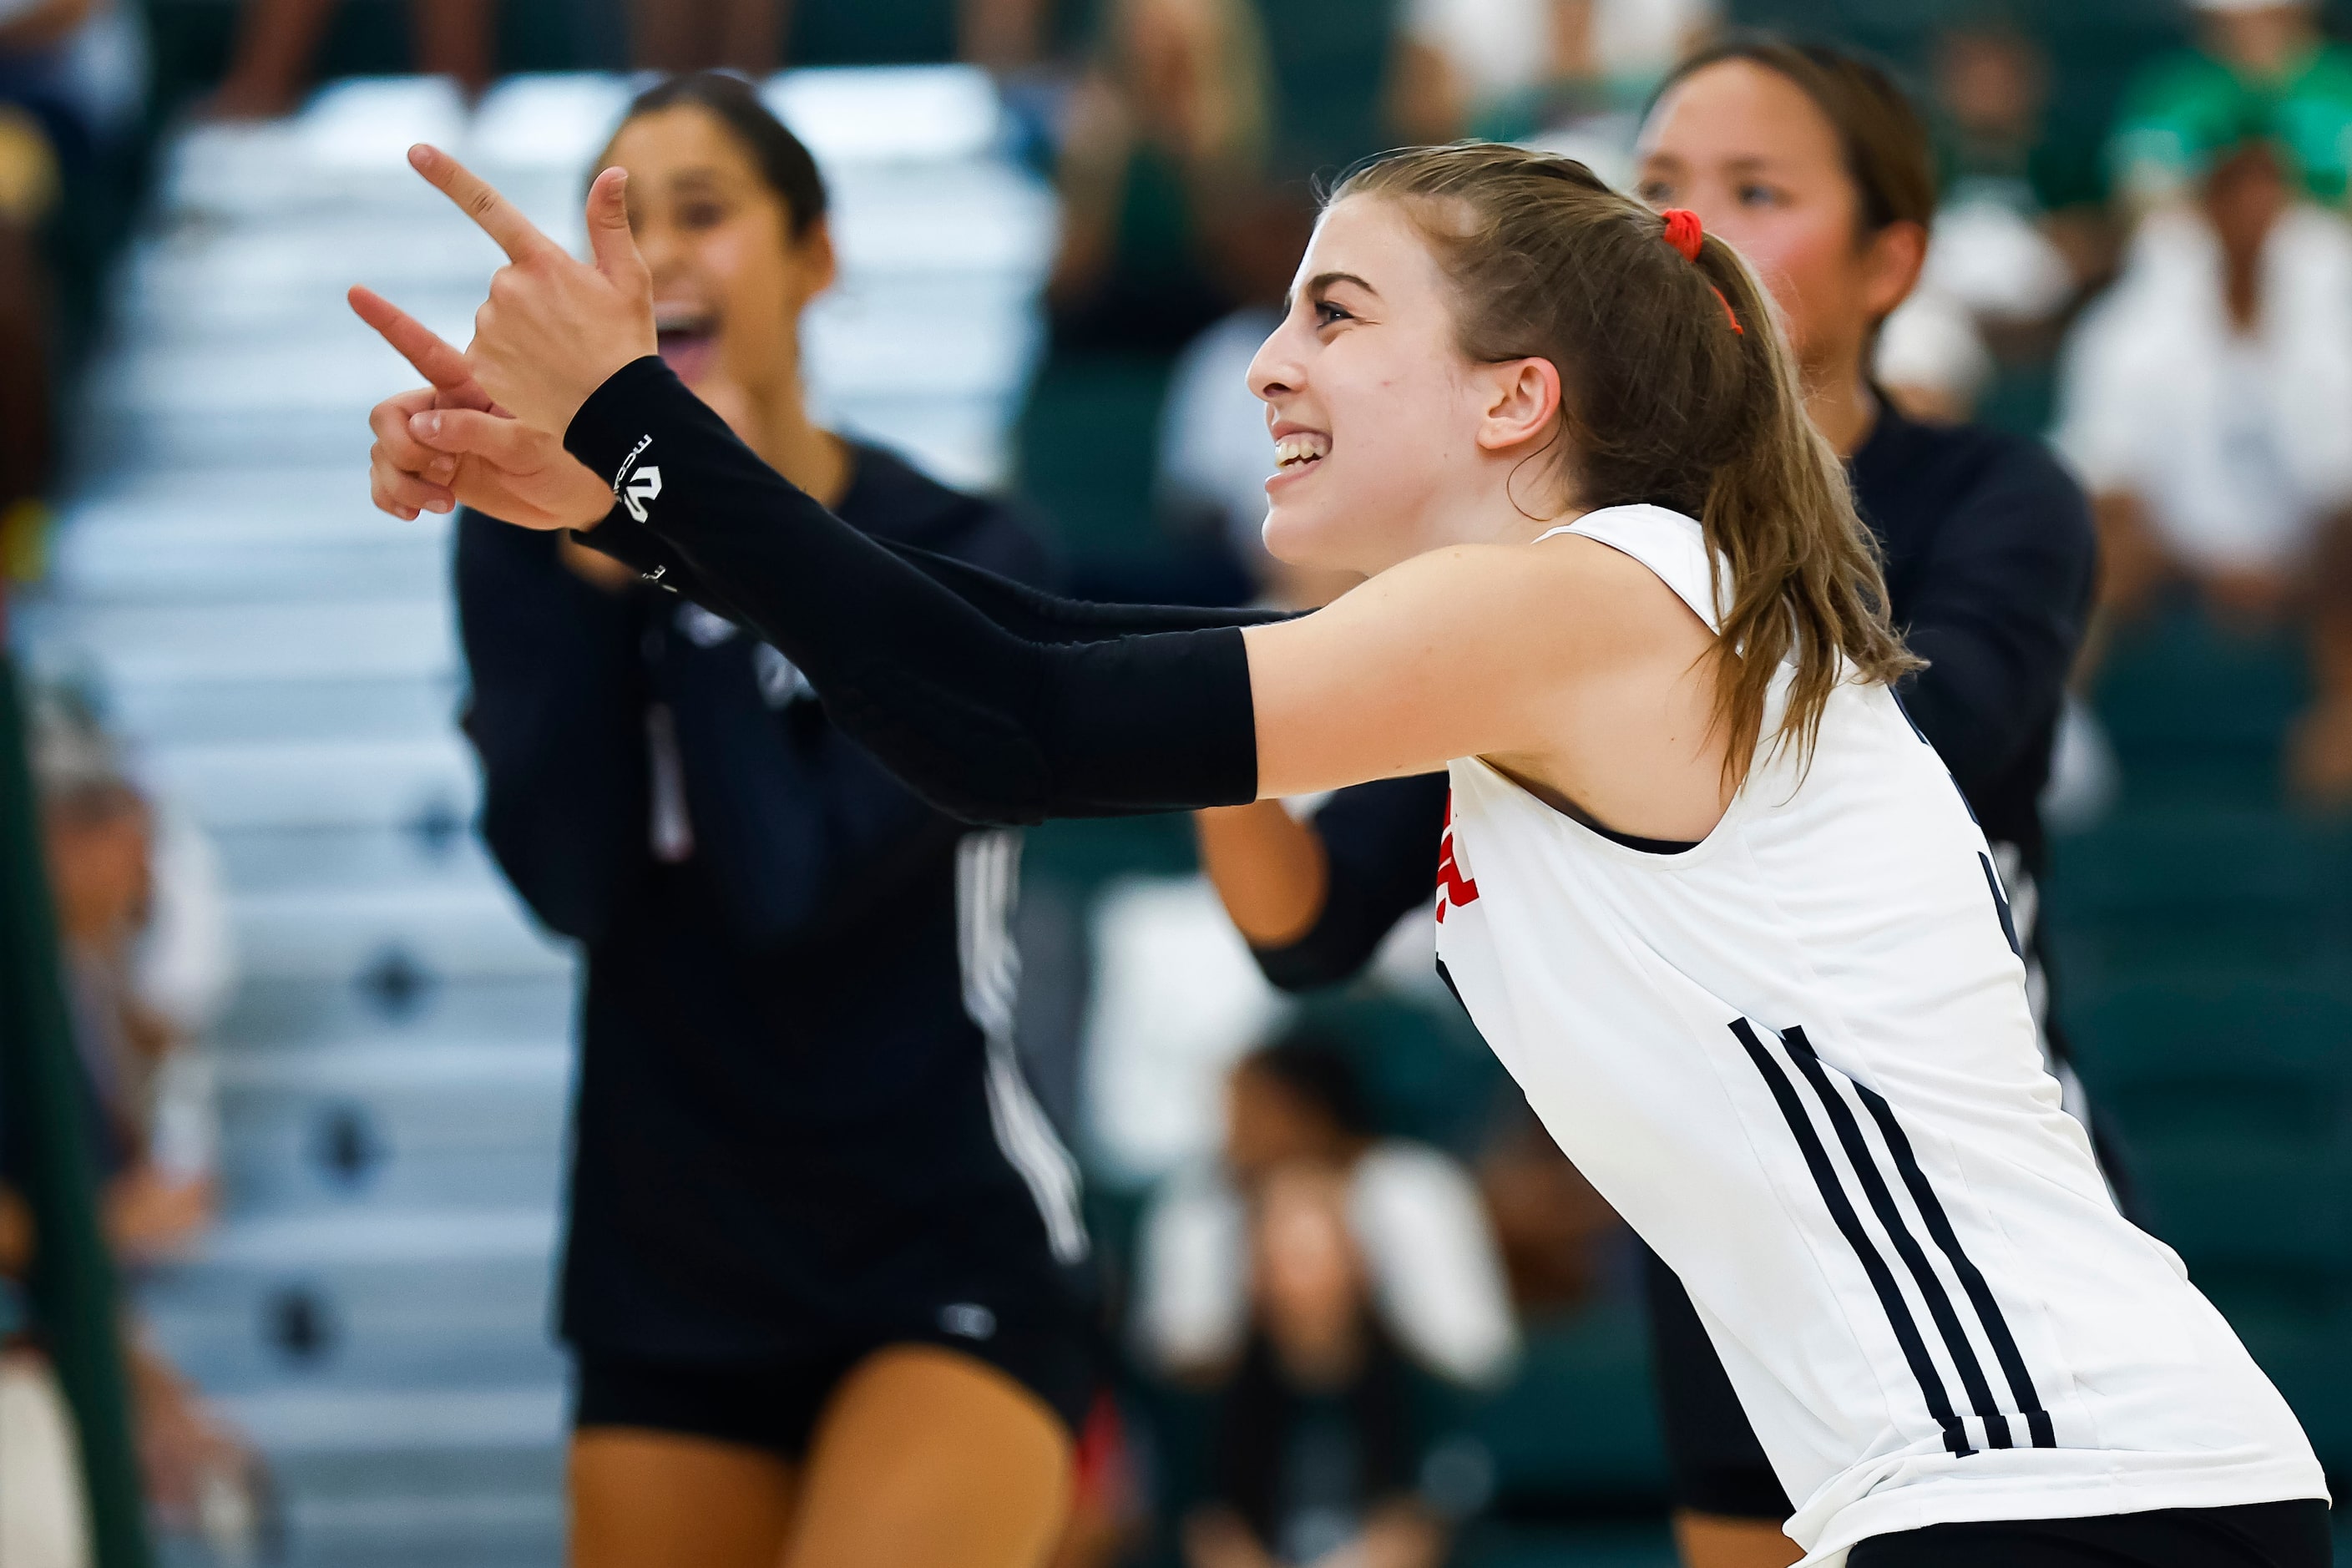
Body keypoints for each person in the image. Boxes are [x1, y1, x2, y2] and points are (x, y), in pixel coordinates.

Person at [359, 123, 2329, 1568]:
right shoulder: (1525, 668)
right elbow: (1038, 654)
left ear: (1513, 399)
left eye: (1334, 311)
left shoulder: (1601, 600)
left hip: (2060, 1480)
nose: (1263, 366)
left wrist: (644, 431)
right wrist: (642, 510)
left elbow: (1016, 717)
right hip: (1999, 1488)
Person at [1198, 38, 2102, 1565]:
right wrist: (1245, 695)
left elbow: (1883, 763)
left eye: (1757, 190)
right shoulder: (1553, 578)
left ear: (1896, 258)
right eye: (1662, 185)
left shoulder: (1984, 502)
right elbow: (1308, 920)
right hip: (1734, 1209)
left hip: (1972, 1186)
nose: (1694, 225)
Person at [363, 73, 1092, 1568]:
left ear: (814, 258)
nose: (665, 260)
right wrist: (596, 558)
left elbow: (787, 882)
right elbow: (570, 880)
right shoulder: (526, 552)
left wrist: (676, 546)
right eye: (626, 229)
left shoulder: (959, 549)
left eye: (706, 212)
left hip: (936, 1239)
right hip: (670, 1249)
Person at [1133, 1029, 1518, 1391]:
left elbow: (1476, 1355)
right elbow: (1176, 1358)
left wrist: (1363, 1293)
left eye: (1251, 1114)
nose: (1232, 1136)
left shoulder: (1413, 1188)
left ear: (1311, 1113)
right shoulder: (1202, 1203)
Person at [1184, 1161, 1447, 1568]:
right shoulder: (1217, 1394)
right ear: (1254, 1274)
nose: (1298, 1279)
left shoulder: (1413, 1384)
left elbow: (1425, 1518)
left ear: (1358, 1263)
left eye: (1314, 1256)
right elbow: (1209, 1526)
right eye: (1282, 1258)